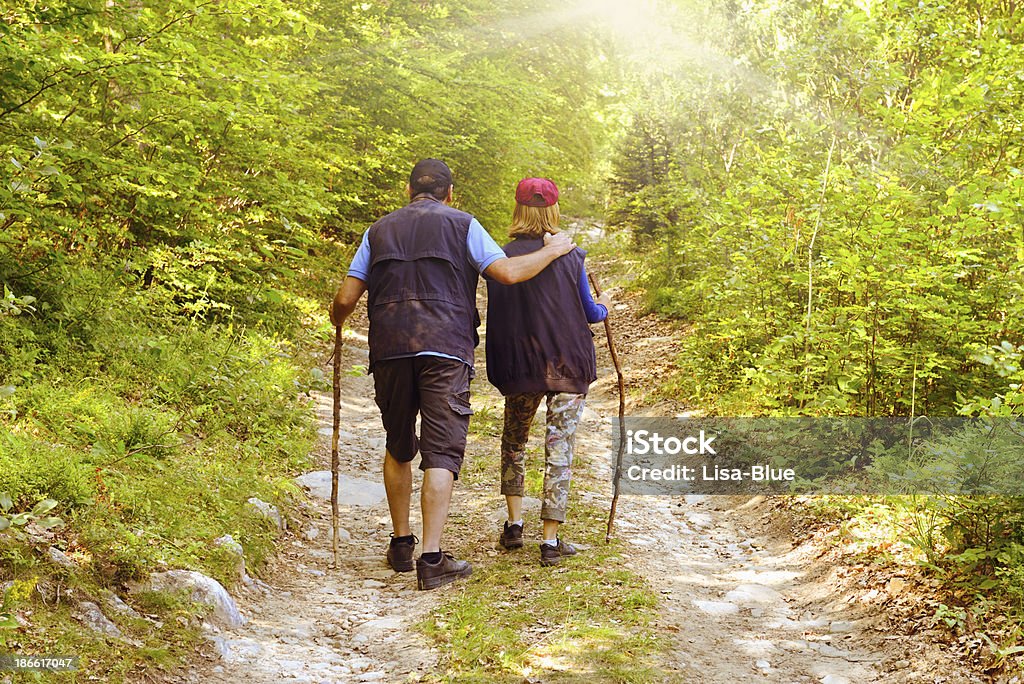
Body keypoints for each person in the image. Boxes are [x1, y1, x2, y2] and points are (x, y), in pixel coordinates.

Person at [330, 160, 576, 590]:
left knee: (399, 443)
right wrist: (554, 250)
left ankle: (401, 542)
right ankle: (431, 558)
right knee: (441, 451)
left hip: (389, 348)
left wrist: (336, 319)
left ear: (408, 189)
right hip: (445, 347)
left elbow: (346, 298)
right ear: (449, 193)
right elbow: (507, 273)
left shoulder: (378, 230)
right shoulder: (463, 225)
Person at [485, 177, 612, 566]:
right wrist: (604, 304)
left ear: (518, 209)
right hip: (567, 364)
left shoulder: (500, 257)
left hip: (520, 364)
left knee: (514, 441)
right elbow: (591, 314)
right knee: (559, 448)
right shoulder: (571, 256)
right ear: (553, 209)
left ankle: (513, 524)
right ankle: (550, 541)